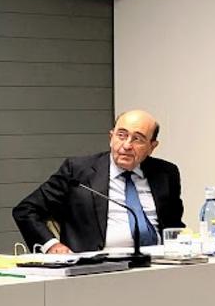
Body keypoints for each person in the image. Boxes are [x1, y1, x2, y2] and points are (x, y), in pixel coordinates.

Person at [12, 109, 182, 254]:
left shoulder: (166, 173)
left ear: (152, 146)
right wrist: (52, 245)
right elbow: (26, 210)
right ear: (111, 137)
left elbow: (174, 225)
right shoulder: (78, 171)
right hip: (97, 267)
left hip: (158, 264)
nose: (127, 145)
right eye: (121, 135)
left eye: (137, 139)